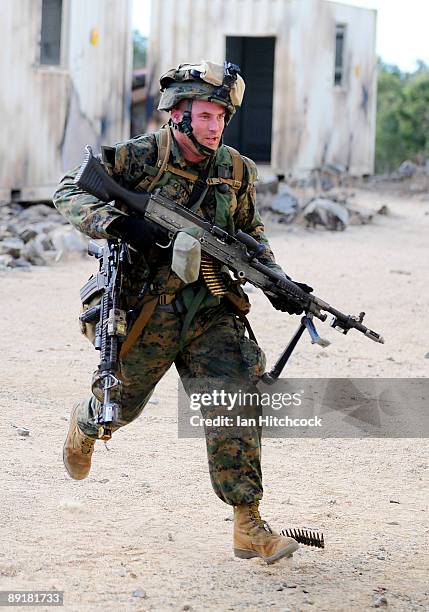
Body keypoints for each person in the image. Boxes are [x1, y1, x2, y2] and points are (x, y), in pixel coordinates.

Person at [53, 61, 309, 565]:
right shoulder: (142, 156)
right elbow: (69, 189)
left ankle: (248, 523)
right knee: (117, 411)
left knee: (234, 402)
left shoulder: (237, 170)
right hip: (149, 310)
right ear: (179, 113)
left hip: (211, 310)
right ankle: (85, 427)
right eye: (207, 114)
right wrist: (119, 226)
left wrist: (280, 283)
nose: (216, 126)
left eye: (222, 117)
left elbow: (251, 236)